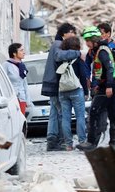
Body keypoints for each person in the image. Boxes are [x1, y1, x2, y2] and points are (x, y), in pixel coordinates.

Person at [77, 26, 115, 152]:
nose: (86, 44)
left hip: (108, 86)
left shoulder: (102, 51)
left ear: (94, 40)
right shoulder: (99, 50)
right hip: (107, 85)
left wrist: (108, 86)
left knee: (94, 111)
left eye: (88, 41)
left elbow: (109, 69)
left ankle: (91, 142)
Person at [41, 23, 81, 151]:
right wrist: (76, 53)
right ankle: (56, 140)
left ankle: (53, 140)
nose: (73, 35)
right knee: (58, 113)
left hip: (51, 83)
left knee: (55, 112)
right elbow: (59, 56)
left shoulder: (56, 44)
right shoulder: (58, 44)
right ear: (64, 33)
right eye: (71, 32)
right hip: (55, 84)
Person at [59, 36, 89, 151]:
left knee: (65, 118)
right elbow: (83, 75)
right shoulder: (78, 58)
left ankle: (68, 144)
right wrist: (86, 92)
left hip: (63, 91)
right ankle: (82, 141)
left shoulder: (61, 58)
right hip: (76, 90)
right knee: (80, 116)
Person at [3, 43, 33, 111]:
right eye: (21, 50)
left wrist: (28, 100)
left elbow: (24, 84)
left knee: (22, 121)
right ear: (14, 53)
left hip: (22, 99)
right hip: (11, 99)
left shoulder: (22, 66)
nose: (24, 52)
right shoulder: (6, 65)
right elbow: (2, 82)